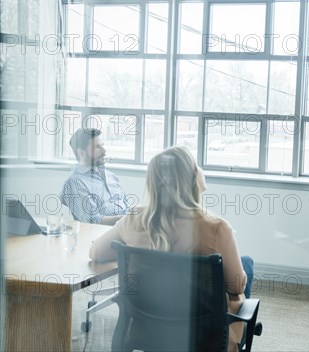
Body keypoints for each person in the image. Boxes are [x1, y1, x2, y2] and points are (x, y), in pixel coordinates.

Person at [89, 145, 253, 351]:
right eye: (196, 166)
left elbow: (96, 252)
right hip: (203, 334)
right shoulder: (217, 228)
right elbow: (235, 288)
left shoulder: (133, 217)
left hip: (147, 325)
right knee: (246, 264)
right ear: (191, 178)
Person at [60, 128, 130, 225]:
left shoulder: (112, 177)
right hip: (100, 237)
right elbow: (92, 221)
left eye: (102, 146)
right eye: (97, 147)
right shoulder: (75, 182)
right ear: (81, 153)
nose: (104, 151)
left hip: (125, 231)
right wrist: (128, 219)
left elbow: (127, 208)